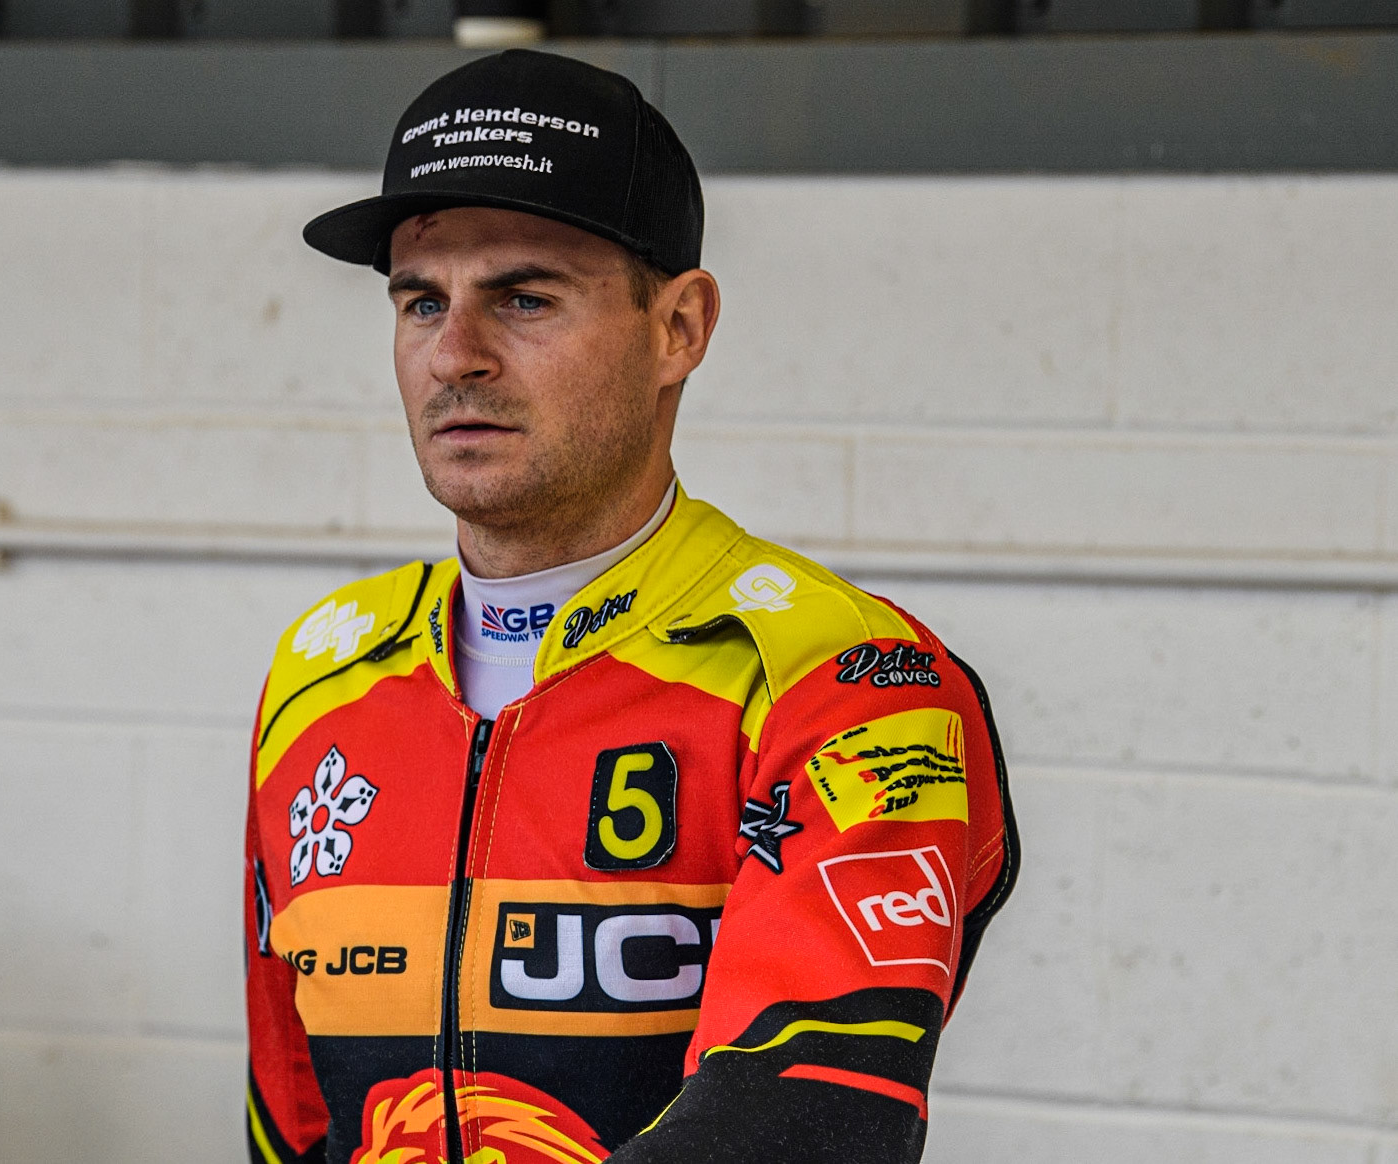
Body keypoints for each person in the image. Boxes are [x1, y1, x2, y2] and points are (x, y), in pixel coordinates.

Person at [244, 49, 1018, 1164]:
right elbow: (289, 1117)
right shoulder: (324, 676)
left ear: (679, 330)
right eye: (422, 301)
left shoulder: (844, 680)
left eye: (523, 297)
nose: (455, 355)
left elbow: (800, 1124)